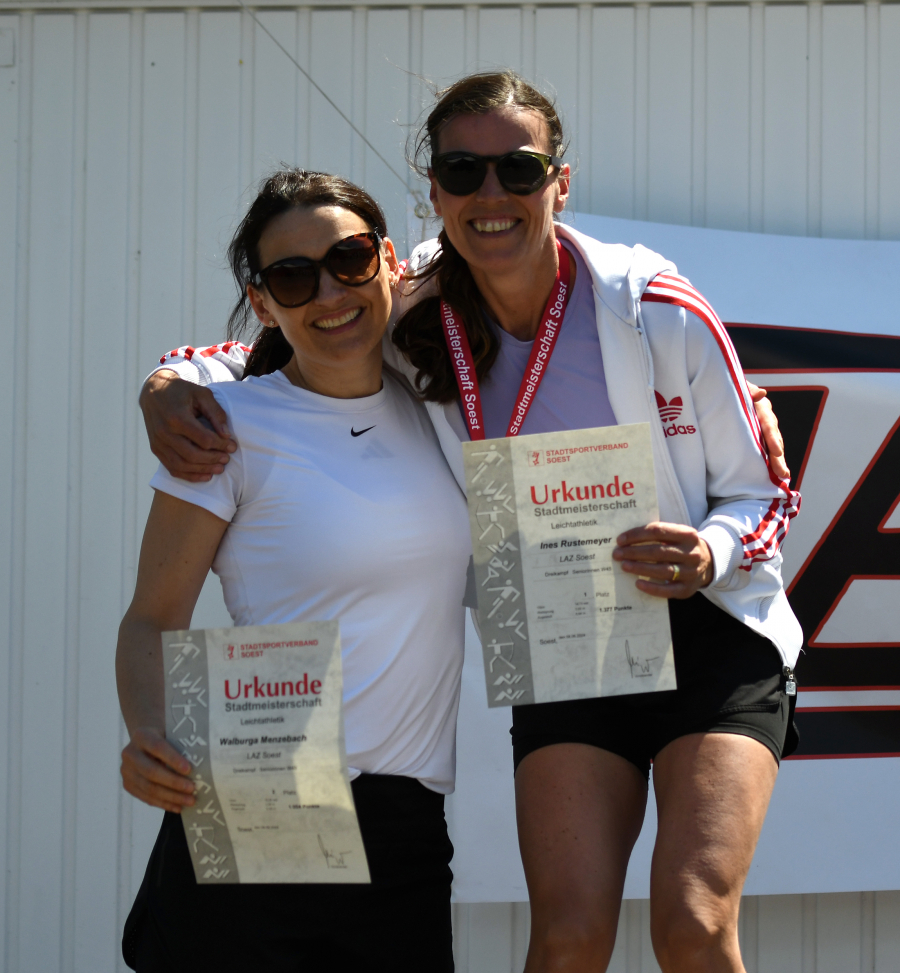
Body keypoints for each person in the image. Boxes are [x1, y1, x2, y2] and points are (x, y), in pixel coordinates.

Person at [139, 73, 799, 973]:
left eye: (518, 171)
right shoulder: (403, 305)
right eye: (463, 170)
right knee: (567, 941)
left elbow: (766, 495)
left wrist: (711, 548)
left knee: (690, 921)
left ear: (559, 181)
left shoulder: (649, 305)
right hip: (539, 662)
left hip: (705, 632)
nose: (492, 195)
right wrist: (164, 384)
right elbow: (256, 348)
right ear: (435, 189)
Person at [117, 169, 471, 972]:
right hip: (259, 791)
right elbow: (152, 615)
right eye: (291, 275)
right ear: (264, 298)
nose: (328, 291)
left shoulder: (445, 407)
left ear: (386, 260)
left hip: (405, 822)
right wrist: (147, 732)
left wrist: (735, 401)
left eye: (347, 259)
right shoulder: (224, 423)